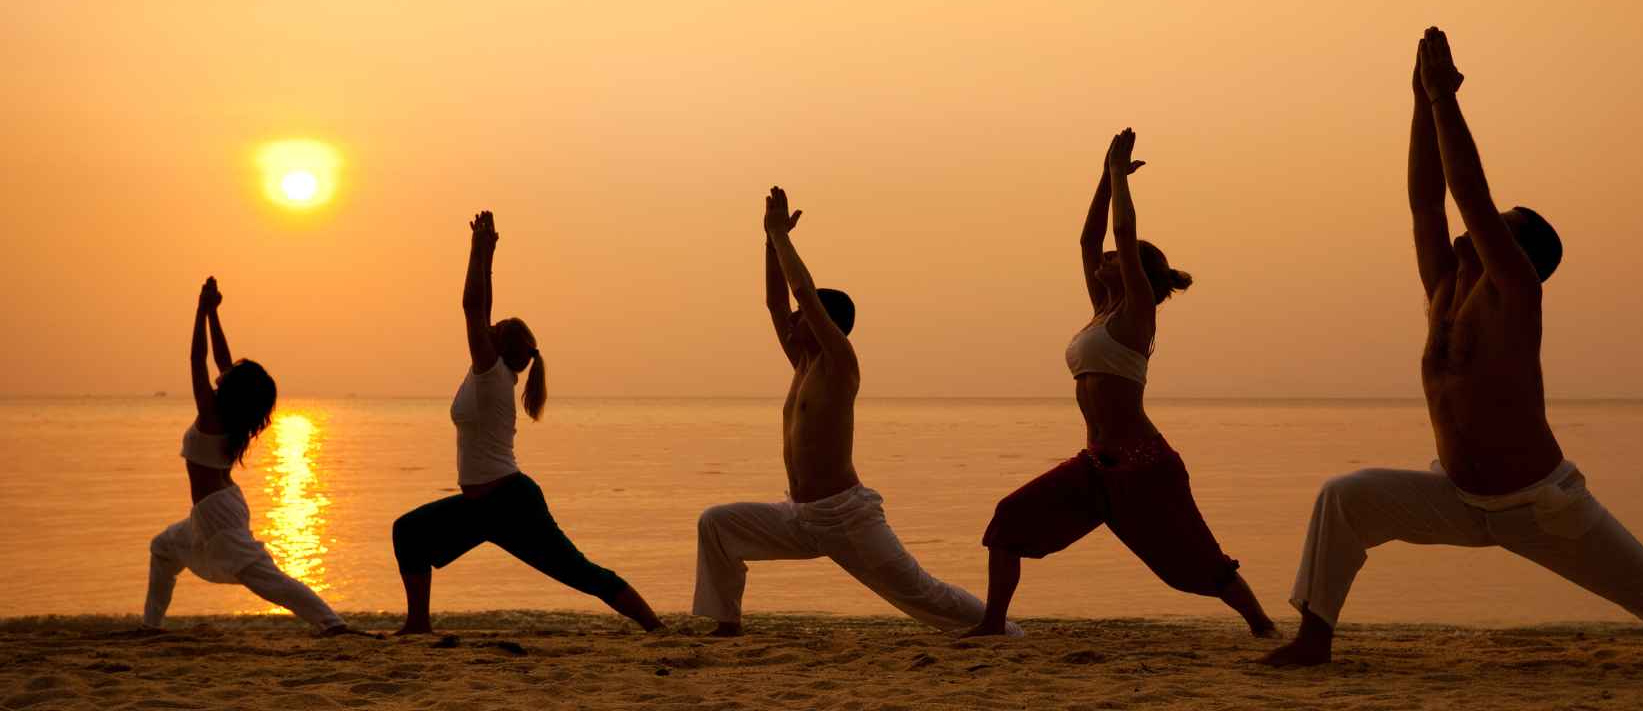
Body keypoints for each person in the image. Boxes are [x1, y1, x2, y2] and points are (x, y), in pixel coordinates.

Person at [1259, 28, 1643, 666]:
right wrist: (1419, 103)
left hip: (1541, 506)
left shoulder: (1514, 293)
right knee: (1345, 497)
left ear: (1516, 256)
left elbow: (1467, 197)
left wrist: (1446, 99)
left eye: (1496, 229)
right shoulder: (1447, 290)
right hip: (1456, 497)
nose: (1473, 229)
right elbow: (1426, 203)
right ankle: (1313, 641)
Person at [963, 130, 1277, 638]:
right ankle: (993, 623)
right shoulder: (1099, 311)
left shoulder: (1136, 312)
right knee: (1010, 520)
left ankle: (1261, 625)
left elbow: (1124, 237)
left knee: (1195, 565)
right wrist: (1103, 176)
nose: (1104, 257)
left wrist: (1119, 178)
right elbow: (1088, 240)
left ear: (1136, 273)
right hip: (1095, 466)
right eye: (1105, 258)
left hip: (1145, 469)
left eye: (1114, 258)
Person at [691, 187, 1019, 637]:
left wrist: (781, 237)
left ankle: (1000, 629)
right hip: (800, 516)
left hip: (845, 516)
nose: (791, 320)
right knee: (717, 524)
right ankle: (727, 624)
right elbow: (776, 302)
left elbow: (802, 293)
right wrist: (769, 241)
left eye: (802, 316)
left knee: (921, 592)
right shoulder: (802, 364)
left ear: (826, 323)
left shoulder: (839, 363)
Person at [390, 211, 663, 635]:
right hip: (483, 506)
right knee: (409, 533)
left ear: (497, 346)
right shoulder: (490, 373)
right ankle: (418, 624)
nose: (487, 327)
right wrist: (490, 254)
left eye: (493, 330)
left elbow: (472, 307)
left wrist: (475, 249)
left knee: (579, 572)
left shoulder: (491, 376)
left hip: (510, 505)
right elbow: (483, 309)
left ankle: (654, 626)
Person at [144, 277, 354, 634]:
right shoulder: (230, 418)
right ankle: (150, 627)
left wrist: (199, 309)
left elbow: (198, 359)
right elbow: (222, 363)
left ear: (233, 391)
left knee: (265, 578)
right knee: (163, 549)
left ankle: (331, 623)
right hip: (211, 509)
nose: (222, 375)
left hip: (218, 514)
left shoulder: (212, 416)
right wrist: (213, 314)